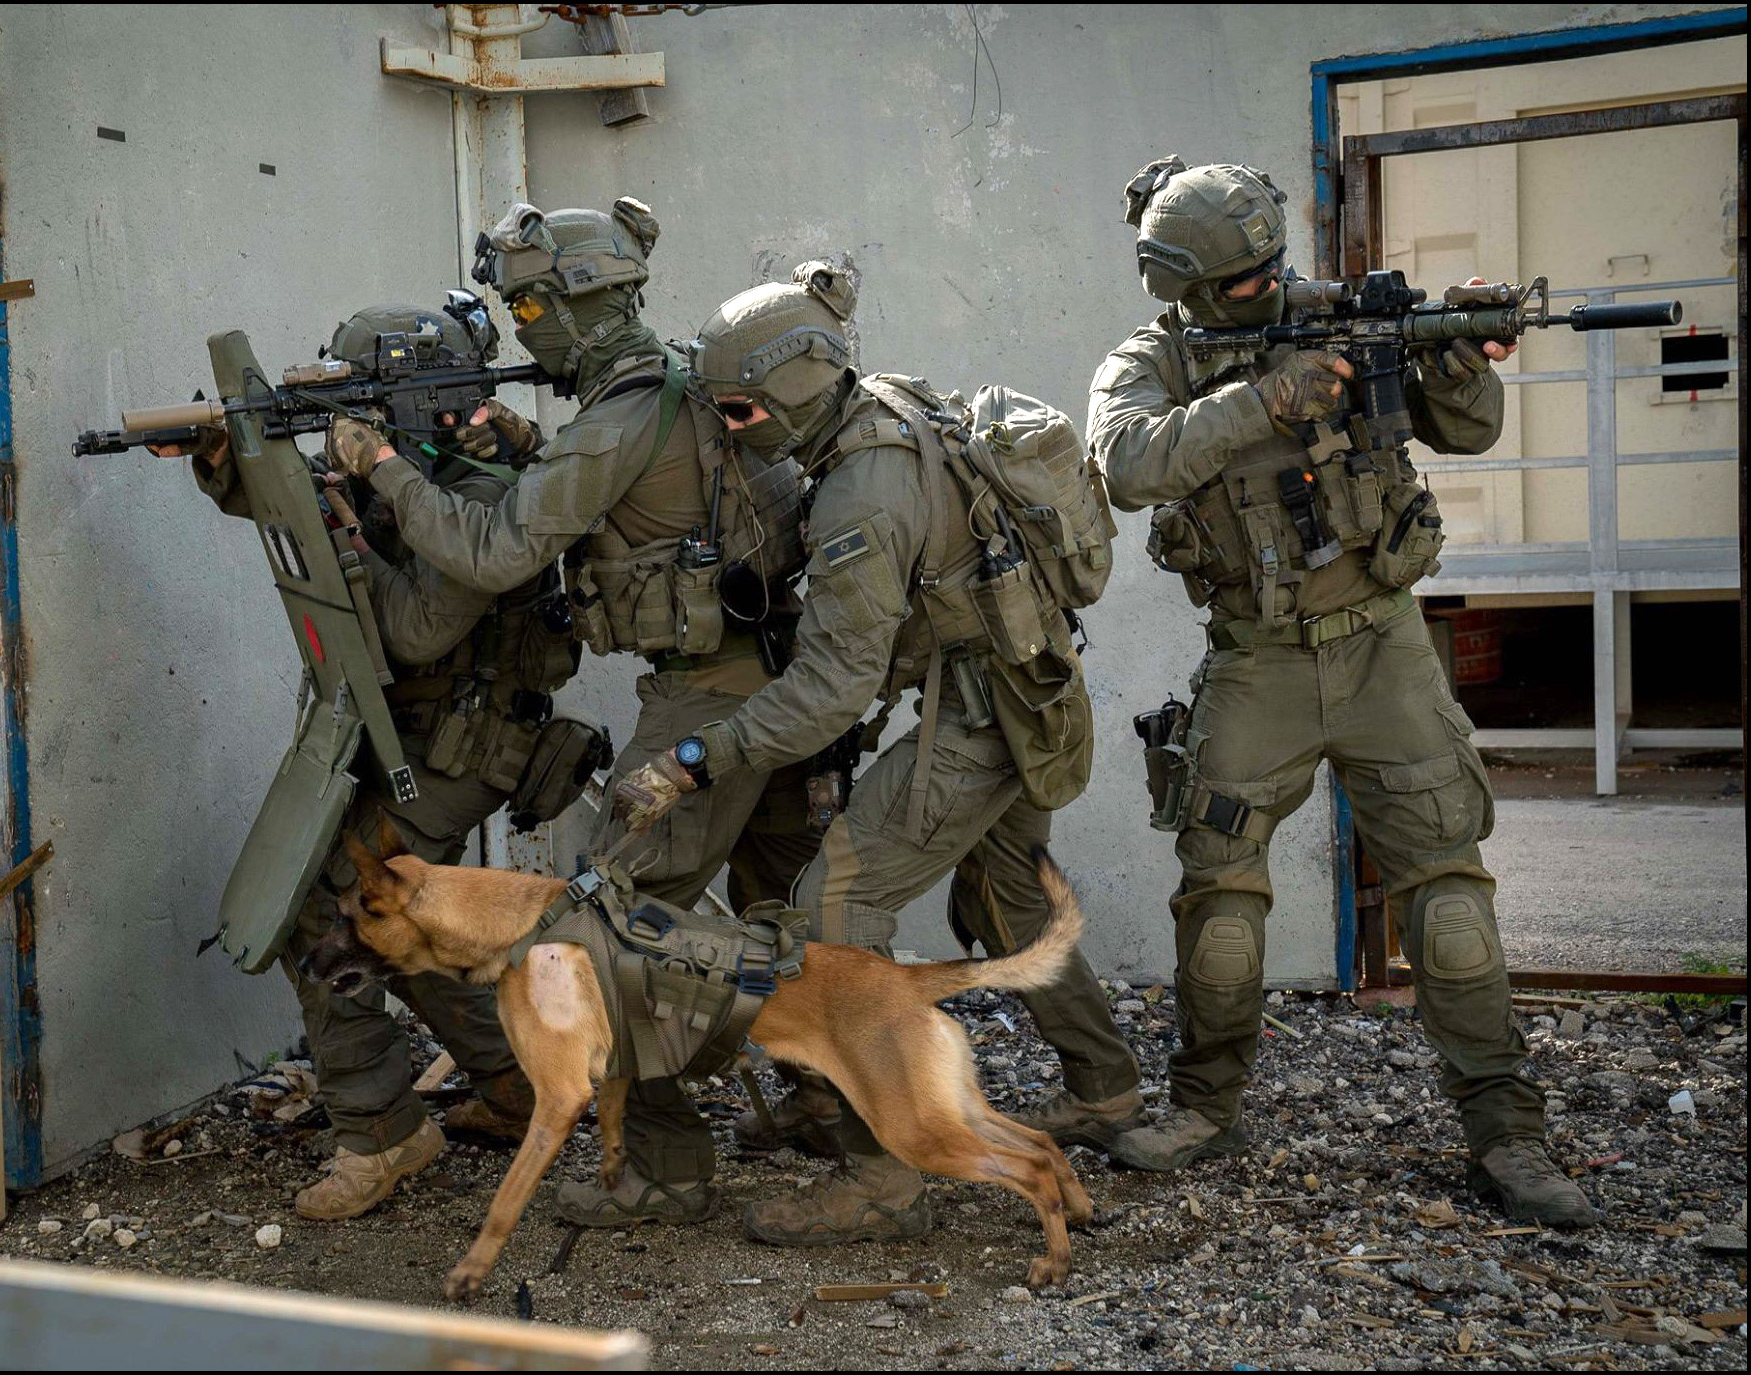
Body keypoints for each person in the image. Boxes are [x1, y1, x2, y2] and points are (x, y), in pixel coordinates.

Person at [1085, 157, 1597, 1227]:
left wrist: (1454, 361)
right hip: (1256, 660)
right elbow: (1125, 464)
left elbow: (1468, 430)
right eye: (1238, 283)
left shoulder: (1343, 317)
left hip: (1384, 646)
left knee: (1449, 897)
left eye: (1272, 265)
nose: (1268, 289)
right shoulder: (1155, 360)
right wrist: (1262, 398)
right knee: (1220, 902)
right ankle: (1203, 1104)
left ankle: (1506, 1131)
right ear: (1181, 287)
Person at [611, 262, 1143, 1246]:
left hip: (978, 720)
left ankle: (879, 1176)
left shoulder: (858, 496)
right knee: (1008, 897)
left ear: (789, 397)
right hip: (1027, 684)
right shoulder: (889, 398)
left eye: (738, 412)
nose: (732, 431)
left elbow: (829, 689)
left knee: (832, 912)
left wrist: (693, 756)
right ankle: (1109, 1094)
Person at [326, 203, 822, 1227]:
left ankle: (673, 1166)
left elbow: (499, 549)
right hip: (777, 678)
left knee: (606, 925)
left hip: (709, 690)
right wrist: (526, 442)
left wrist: (380, 467)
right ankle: (840, 1119)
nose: (521, 327)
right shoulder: (667, 379)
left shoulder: (622, 408)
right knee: (789, 910)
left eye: (531, 304)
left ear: (583, 301)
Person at [166, 301, 578, 1220]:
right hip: (397, 734)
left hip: (461, 743)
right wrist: (227, 459)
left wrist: (363, 508)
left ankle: (384, 1131)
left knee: (333, 912)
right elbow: (300, 510)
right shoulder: (419, 465)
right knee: (403, 923)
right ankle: (514, 1084)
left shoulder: (479, 492)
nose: (360, 426)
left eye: (375, 405)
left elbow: (420, 625)